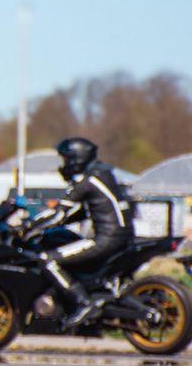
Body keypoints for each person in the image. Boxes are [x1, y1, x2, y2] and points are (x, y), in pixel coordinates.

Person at [28, 135, 134, 329]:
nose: (64, 164)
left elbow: (58, 214)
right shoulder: (104, 174)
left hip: (105, 239)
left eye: (66, 159)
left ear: (77, 158)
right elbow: (85, 211)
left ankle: (83, 303)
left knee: (47, 259)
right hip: (124, 237)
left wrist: (28, 226)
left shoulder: (86, 181)